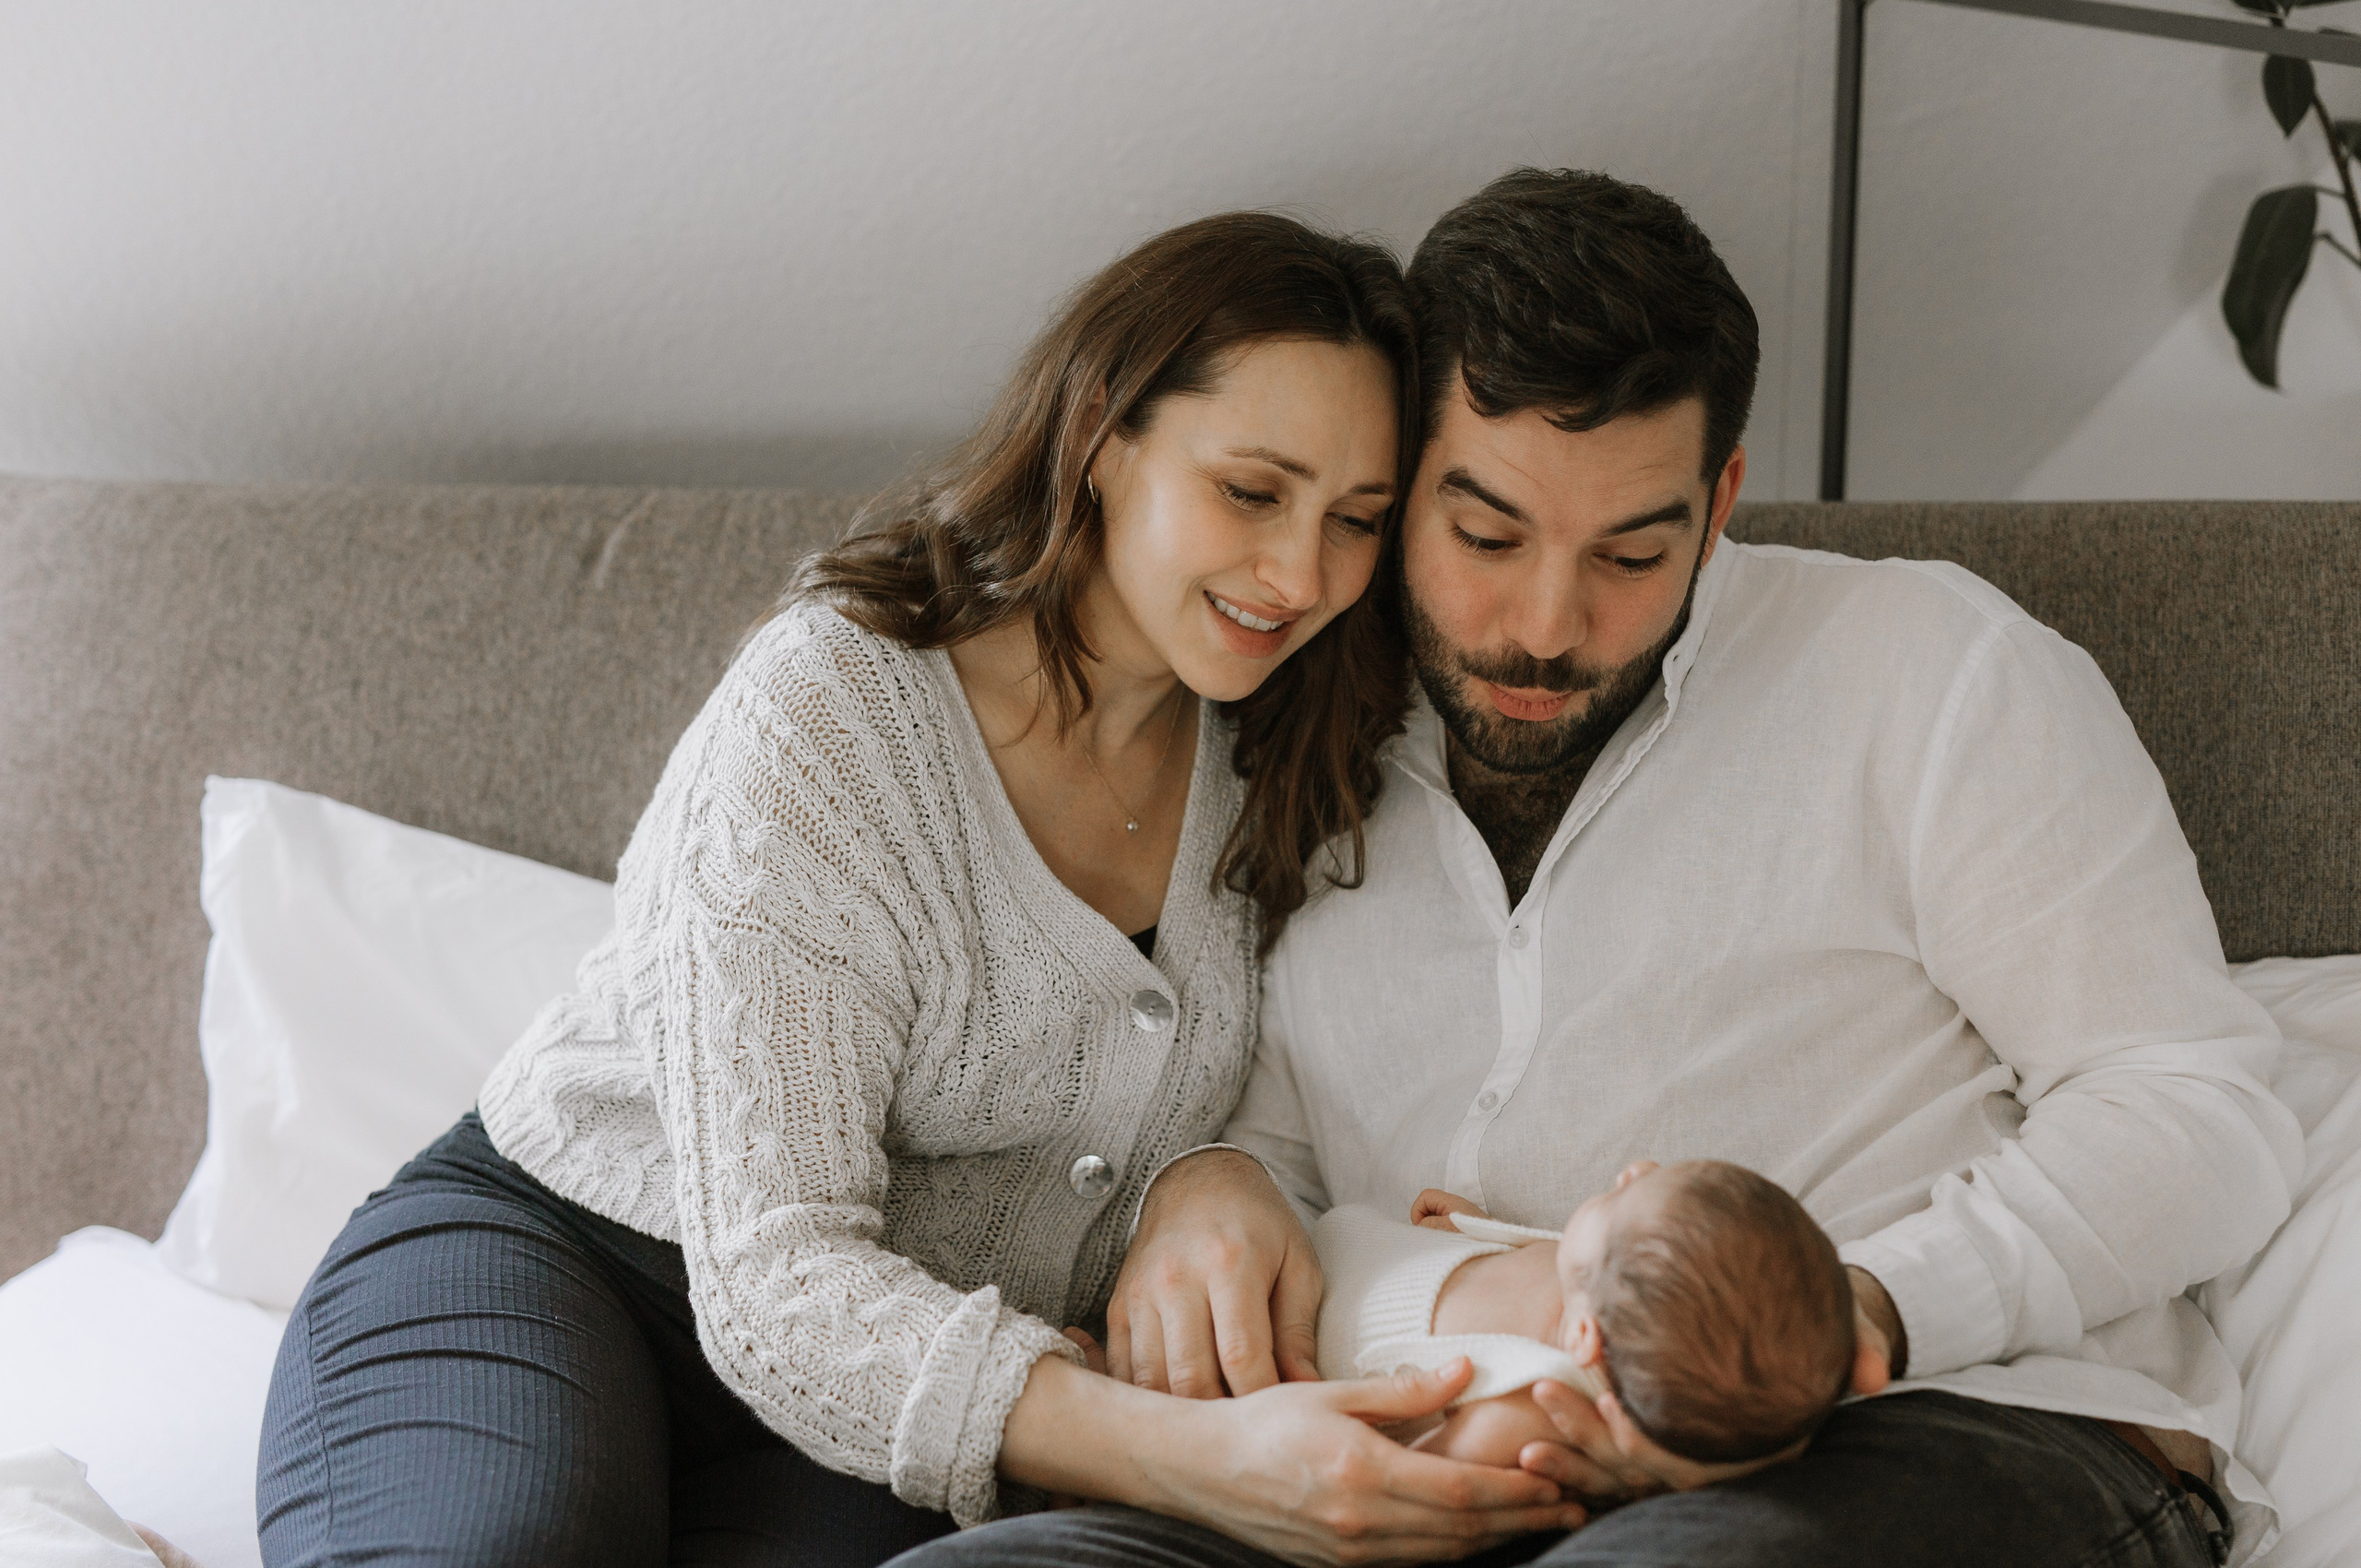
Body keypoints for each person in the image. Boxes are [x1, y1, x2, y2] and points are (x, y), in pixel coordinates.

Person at [892, 169, 2299, 1568]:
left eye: (1635, 549)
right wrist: (1210, 1179)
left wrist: (1854, 1316)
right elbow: (1265, 1132)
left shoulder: (1930, 673)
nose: (1547, 626)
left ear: (1722, 494)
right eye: (1485, 534)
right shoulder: (1282, 713)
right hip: (1414, 1445)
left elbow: (2197, 1105)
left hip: (1927, 1425)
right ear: (1393, 484)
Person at [255, 211, 1591, 1568]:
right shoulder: (831, 713)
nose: (1301, 573)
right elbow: (777, 1278)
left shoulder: (1294, 743)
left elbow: (1297, 1086)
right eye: (1252, 492)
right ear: (1102, 440)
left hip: (892, 1403)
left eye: (1355, 519)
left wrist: (1214, 1171)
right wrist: (1202, 1462)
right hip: (566, 1262)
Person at [1307, 1161, 1855, 1472]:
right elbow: (1533, 1263)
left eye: (1625, 1198)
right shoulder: (1593, 1284)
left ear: (1583, 1337)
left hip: (1291, 1338)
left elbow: (1400, 1481)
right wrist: (1472, 1235)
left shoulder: (1528, 1407)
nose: (1634, 1170)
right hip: (1330, 1246)